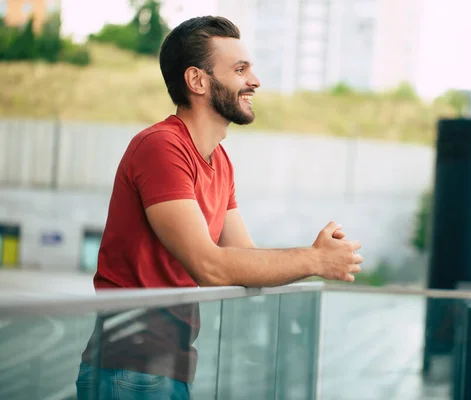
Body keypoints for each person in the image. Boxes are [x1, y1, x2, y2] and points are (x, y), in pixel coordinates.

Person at [76, 15, 363, 400]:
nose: (255, 81)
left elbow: (241, 258)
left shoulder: (220, 161)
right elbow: (210, 265)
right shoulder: (162, 147)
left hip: (167, 369)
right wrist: (313, 261)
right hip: (131, 371)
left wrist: (315, 254)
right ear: (197, 80)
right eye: (240, 69)